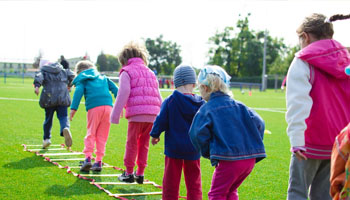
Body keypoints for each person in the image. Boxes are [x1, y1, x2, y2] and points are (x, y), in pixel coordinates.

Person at [285, 13, 350, 200]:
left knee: (297, 192)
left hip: (308, 143)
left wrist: (297, 140)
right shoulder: (346, 60)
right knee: (324, 195)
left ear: (305, 37)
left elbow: (298, 104)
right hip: (339, 143)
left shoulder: (303, 61)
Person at [189, 65, 266, 200]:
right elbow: (260, 123)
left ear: (205, 88)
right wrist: (253, 144)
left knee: (216, 194)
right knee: (231, 190)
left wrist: (208, 152)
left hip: (229, 160)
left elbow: (196, 134)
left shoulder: (206, 109)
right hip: (250, 160)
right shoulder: (241, 106)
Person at [150, 65, 205, 200]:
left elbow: (161, 119)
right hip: (194, 148)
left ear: (174, 82)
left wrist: (155, 134)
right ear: (193, 83)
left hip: (174, 148)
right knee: (194, 180)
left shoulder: (170, 101)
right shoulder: (201, 103)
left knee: (171, 180)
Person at [110, 41, 162, 183]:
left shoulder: (126, 72)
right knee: (143, 144)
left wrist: (115, 115)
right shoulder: (150, 72)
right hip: (152, 115)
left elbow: (123, 92)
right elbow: (158, 95)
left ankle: (128, 173)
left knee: (132, 143)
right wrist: (161, 117)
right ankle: (140, 173)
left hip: (137, 115)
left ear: (124, 60)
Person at [70, 60, 118, 172]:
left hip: (94, 107)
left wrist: (73, 109)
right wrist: (121, 105)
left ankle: (87, 159)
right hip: (108, 108)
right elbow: (116, 90)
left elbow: (78, 91)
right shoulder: (103, 77)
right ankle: (98, 161)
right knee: (102, 135)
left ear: (79, 72)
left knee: (91, 133)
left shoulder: (83, 79)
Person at [33, 59, 75, 149]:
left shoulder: (44, 71)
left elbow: (39, 77)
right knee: (63, 116)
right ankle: (65, 128)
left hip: (49, 99)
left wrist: (37, 86)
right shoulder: (62, 70)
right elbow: (72, 75)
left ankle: (46, 139)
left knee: (48, 119)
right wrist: (69, 85)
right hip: (62, 98)